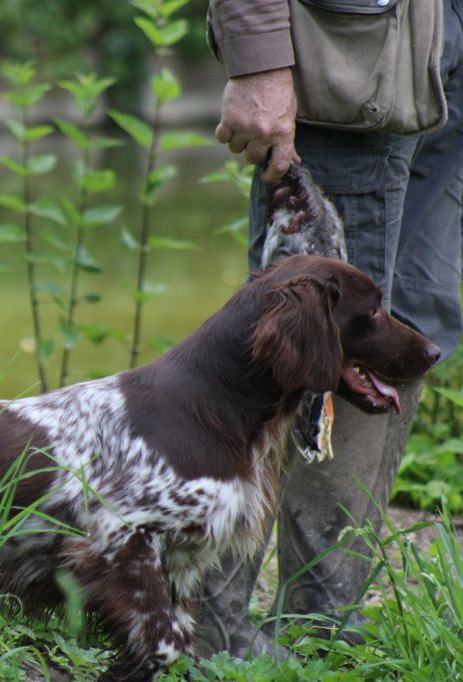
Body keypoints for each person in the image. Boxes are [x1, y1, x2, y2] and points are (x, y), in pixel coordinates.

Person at [196, 0, 463, 657]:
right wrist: (260, 57)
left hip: (436, 48)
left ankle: (321, 626)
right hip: (350, 57)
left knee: (408, 329)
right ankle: (211, 627)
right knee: (306, 337)